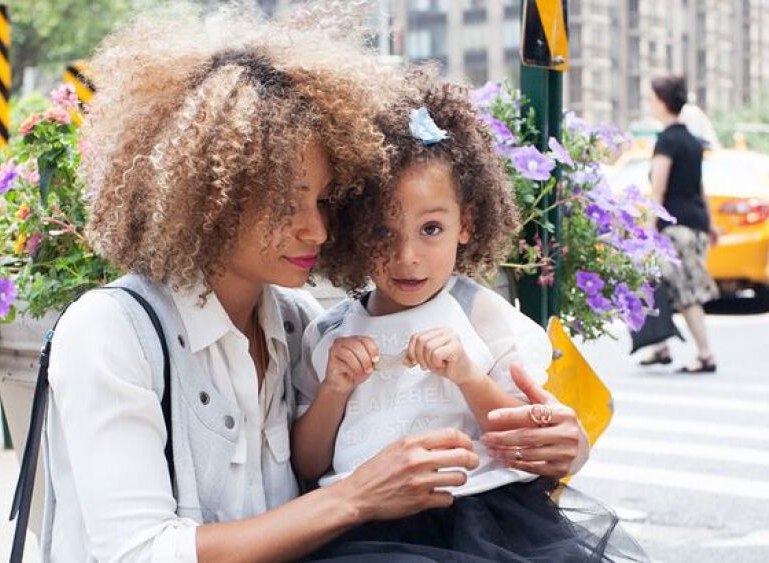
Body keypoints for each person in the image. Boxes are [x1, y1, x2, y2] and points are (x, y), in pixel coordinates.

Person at [41, 6, 591, 562]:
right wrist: (357, 497)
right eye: (287, 203)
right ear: (210, 200)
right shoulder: (111, 332)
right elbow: (138, 553)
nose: (318, 228)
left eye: (325, 200)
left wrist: (567, 446)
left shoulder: (298, 324)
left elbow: (495, 438)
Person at [294, 77, 647, 561]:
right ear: (353, 231)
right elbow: (309, 463)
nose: (407, 256)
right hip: (363, 531)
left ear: (469, 225)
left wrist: (466, 374)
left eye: (431, 229)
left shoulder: (484, 319)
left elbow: (522, 443)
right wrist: (334, 389)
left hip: (483, 523)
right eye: (382, 231)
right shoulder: (330, 333)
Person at [640, 75, 719, 373]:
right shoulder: (691, 141)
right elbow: (700, 188)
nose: (649, 103)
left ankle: (706, 354)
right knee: (657, 282)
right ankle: (660, 346)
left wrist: (649, 230)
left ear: (662, 102)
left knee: (684, 291)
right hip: (695, 224)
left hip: (675, 227)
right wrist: (709, 225)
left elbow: (658, 190)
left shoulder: (668, 140)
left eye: (651, 98)